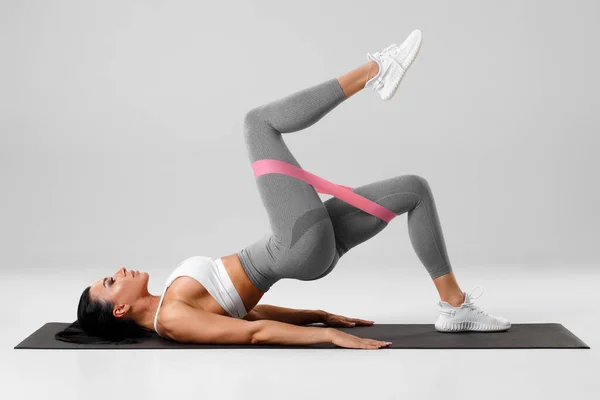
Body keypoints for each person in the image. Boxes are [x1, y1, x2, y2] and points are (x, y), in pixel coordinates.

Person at [68, 30, 510, 350]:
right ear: (119, 310)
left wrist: (318, 315)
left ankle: (454, 306)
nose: (118, 271)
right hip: (295, 245)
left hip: (307, 248)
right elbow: (252, 334)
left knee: (413, 190)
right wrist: (330, 339)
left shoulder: (169, 302)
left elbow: (251, 313)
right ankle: (376, 69)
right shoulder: (173, 319)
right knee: (256, 123)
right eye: (110, 282)